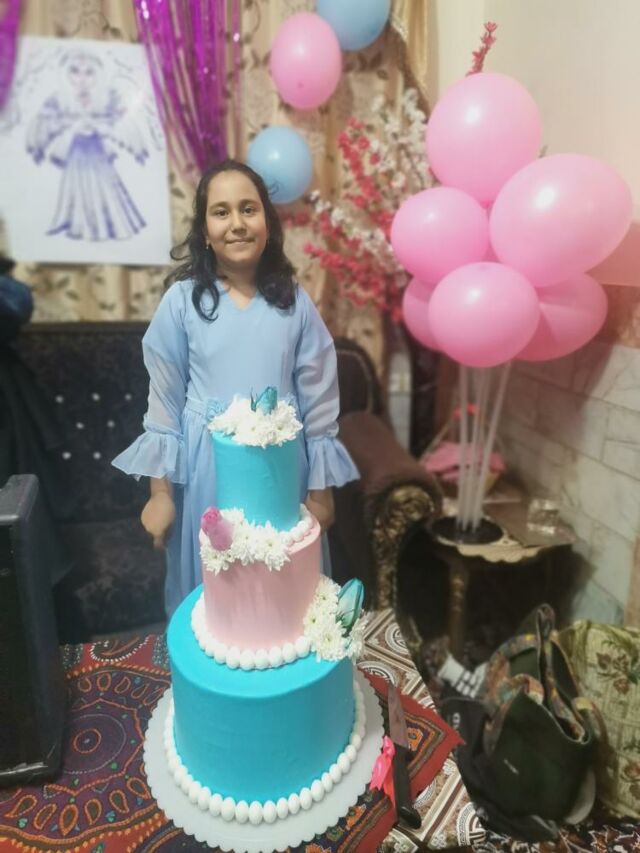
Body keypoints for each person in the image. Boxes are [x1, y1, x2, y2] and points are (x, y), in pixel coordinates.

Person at [112, 159, 359, 617]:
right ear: (204, 231)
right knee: (218, 595)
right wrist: (160, 494)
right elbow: (164, 403)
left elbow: (320, 402)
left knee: (282, 598)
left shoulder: (294, 301)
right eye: (221, 212)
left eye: (248, 209)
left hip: (281, 471)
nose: (237, 223)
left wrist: (322, 494)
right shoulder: (181, 302)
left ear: (268, 223)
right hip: (207, 468)